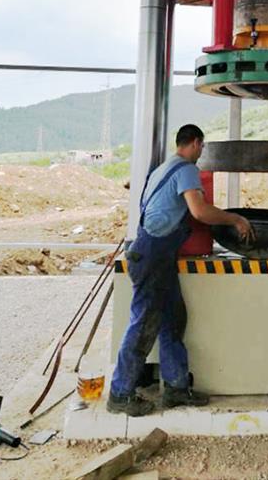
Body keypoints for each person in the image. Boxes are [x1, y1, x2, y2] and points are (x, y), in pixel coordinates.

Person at [108, 124, 254, 417]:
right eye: (201, 147)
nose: (201, 153)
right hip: (152, 255)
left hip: (156, 254)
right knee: (144, 324)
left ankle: (175, 387)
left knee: (173, 317)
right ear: (196, 143)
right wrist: (235, 219)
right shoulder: (186, 169)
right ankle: (120, 394)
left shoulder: (164, 168)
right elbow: (199, 211)